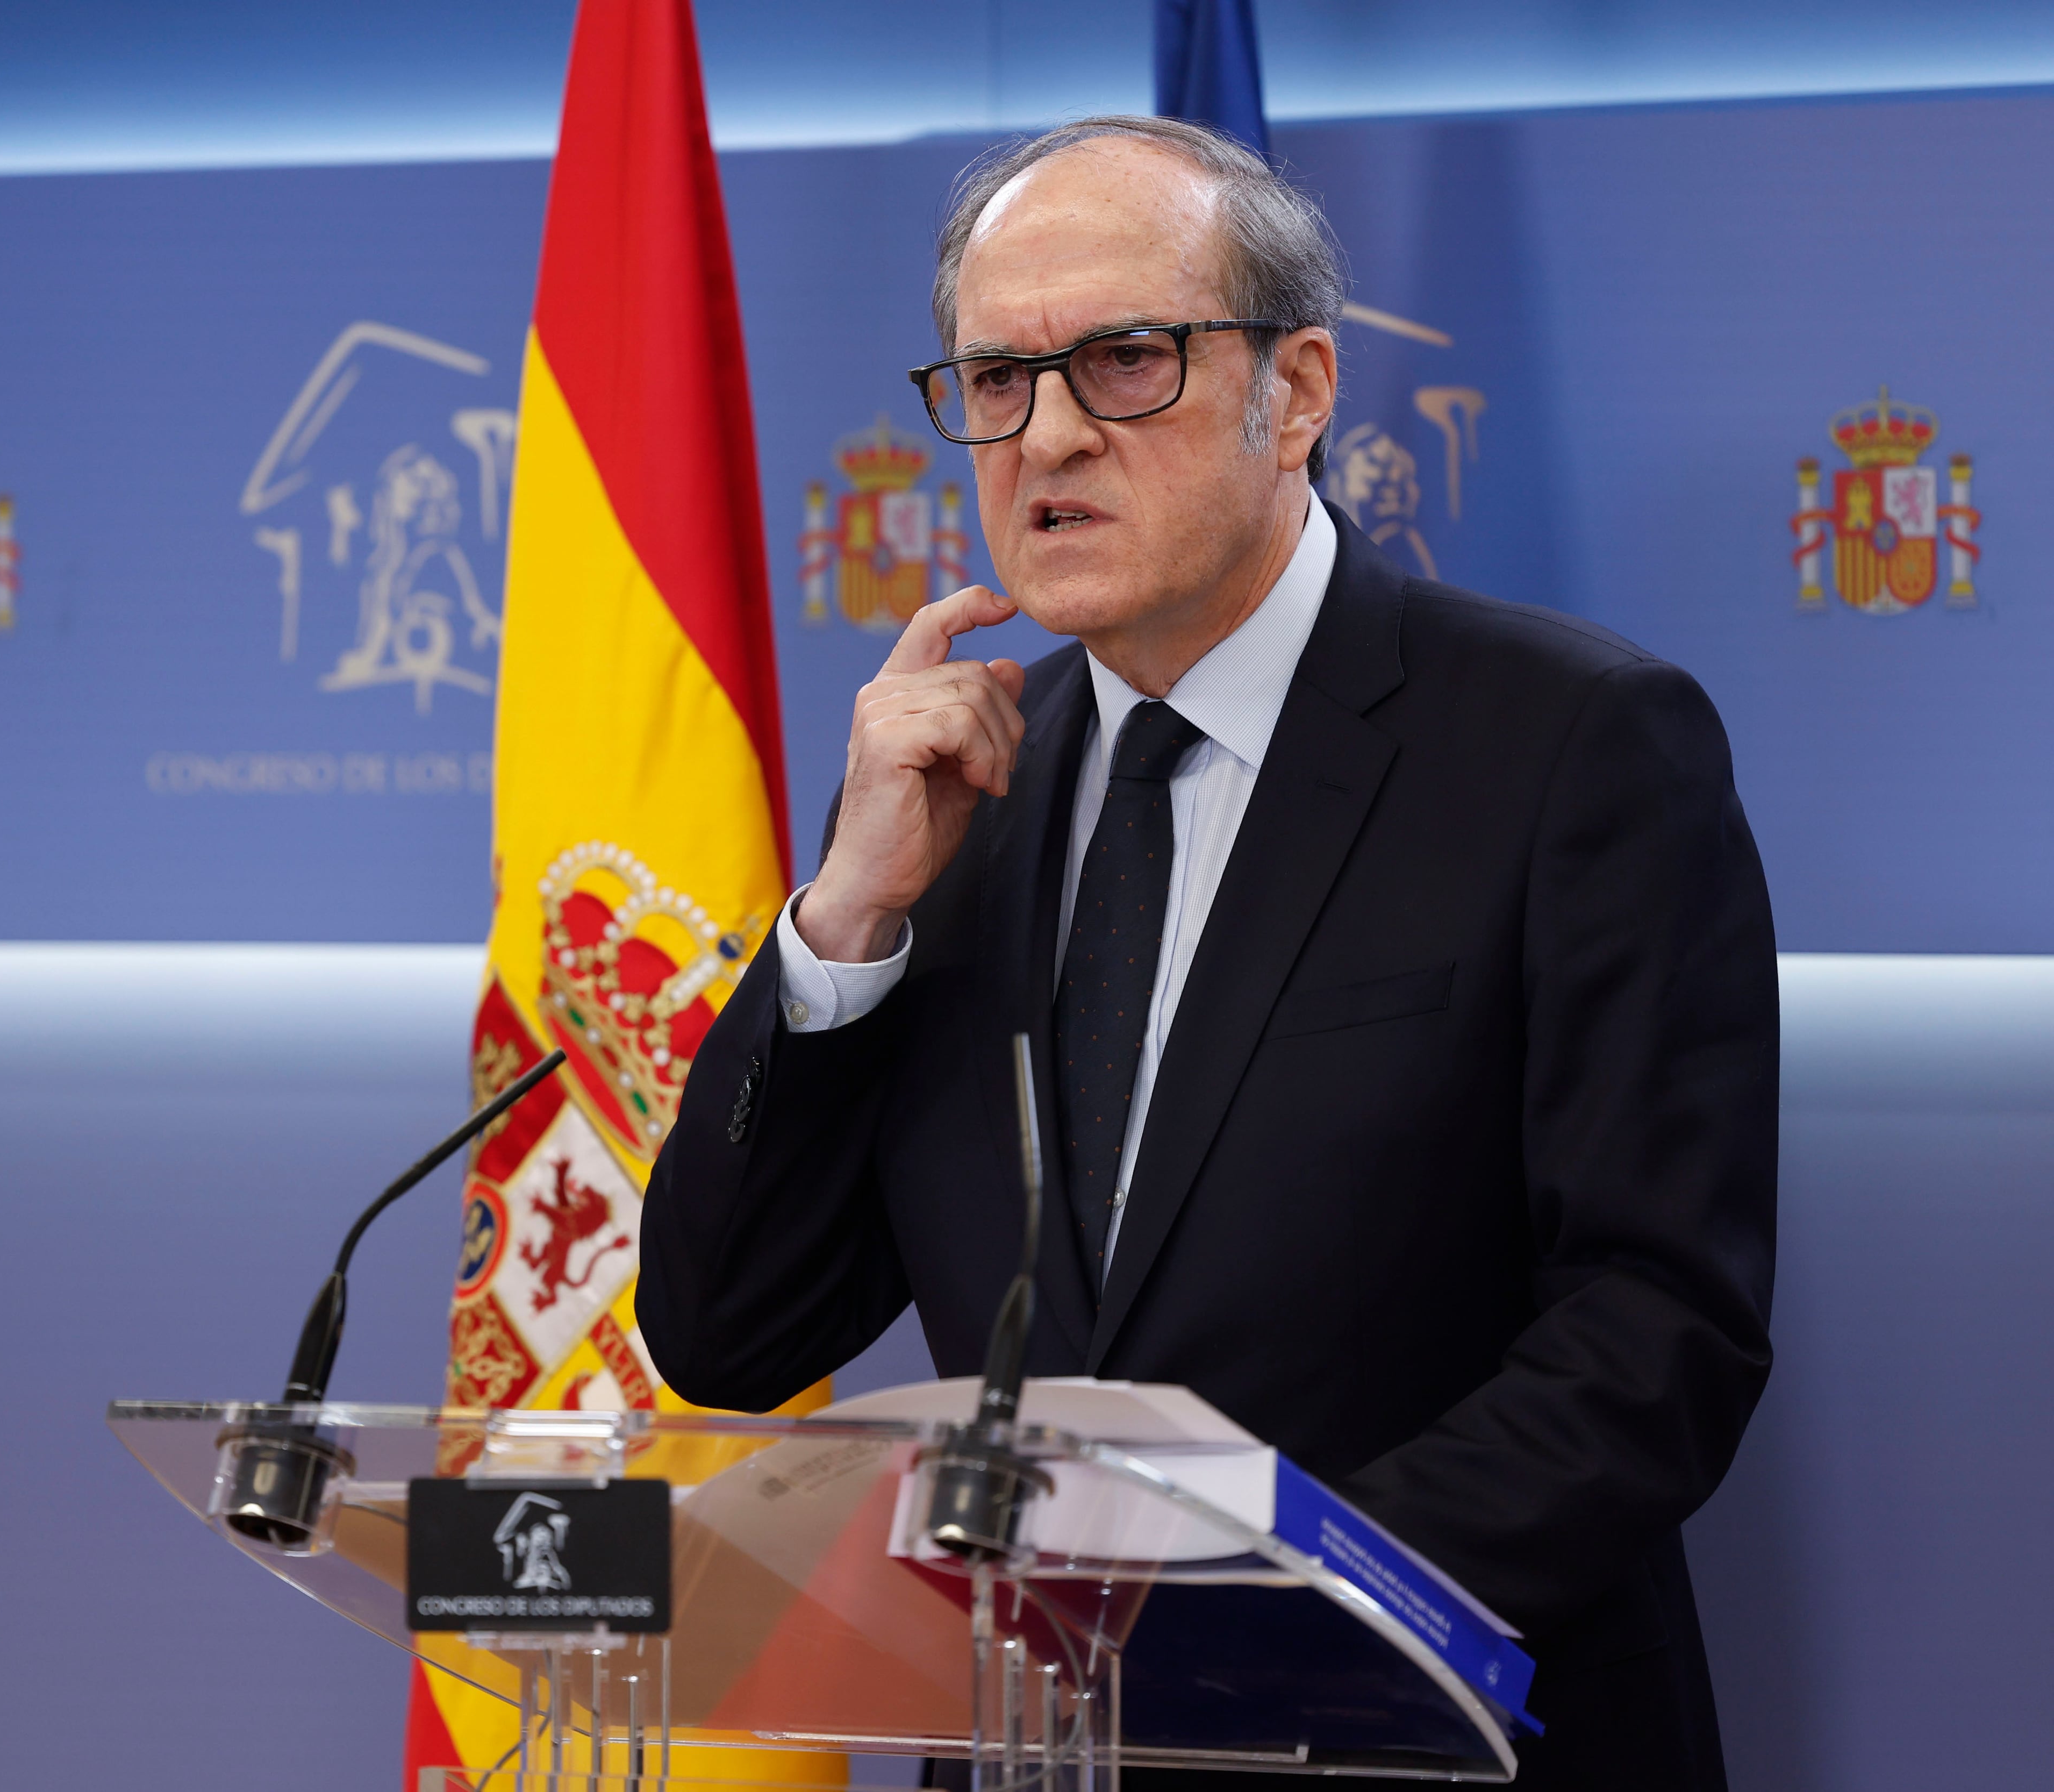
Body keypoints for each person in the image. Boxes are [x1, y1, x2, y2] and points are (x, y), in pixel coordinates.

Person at [635, 116, 1776, 1789]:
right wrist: (845, 923)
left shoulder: (1570, 746)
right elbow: (729, 1333)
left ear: (1298, 388)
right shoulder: (961, 792)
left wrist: (1228, 1613)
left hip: (1426, 1744)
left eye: (1123, 360)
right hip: (1033, 1754)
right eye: (997, 381)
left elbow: (1656, 1333)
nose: (1047, 439)